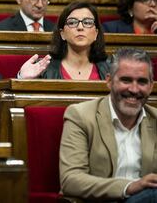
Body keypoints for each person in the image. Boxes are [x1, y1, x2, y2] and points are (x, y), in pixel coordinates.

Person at [60, 47, 157, 201]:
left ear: (151, 86)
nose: (133, 89)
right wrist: (129, 187)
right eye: (126, 80)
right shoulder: (81, 116)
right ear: (109, 81)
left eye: (142, 82)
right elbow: (71, 180)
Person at [19, 1, 109, 80]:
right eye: (72, 22)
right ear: (62, 34)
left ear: (96, 33)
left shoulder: (111, 70)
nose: (80, 27)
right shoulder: (43, 69)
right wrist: (22, 78)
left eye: (87, 22)